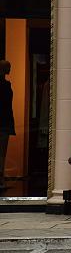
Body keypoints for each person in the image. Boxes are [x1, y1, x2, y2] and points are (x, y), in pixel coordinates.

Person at [0, 60, 16, 190]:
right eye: (8, 67)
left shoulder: (7, 84)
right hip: (3, 122)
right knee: (1, 152)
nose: (10, 69)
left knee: (2, 152)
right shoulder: (4, 85)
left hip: (5, 122)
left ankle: (1, 178)